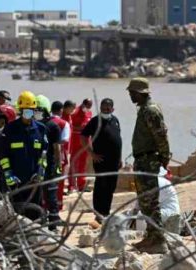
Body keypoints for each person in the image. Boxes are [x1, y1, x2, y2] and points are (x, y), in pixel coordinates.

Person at [128, 77, 170, 254]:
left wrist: (164, 157)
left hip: (148, 161)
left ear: (140, 93)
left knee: (150, 201)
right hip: (142, 160)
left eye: (132, 93)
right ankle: (152, 236)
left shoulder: (150, 110)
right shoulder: (144, 109)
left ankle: (158, 240)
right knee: (145, 201)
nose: (130, 95)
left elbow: (161, 136)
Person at [0, 91, 48, 221]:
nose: (28, 112)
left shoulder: (41, 129)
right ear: (20, 110)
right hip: (15, 182)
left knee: (35, 213)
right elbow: (3, 155)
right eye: (25, 110)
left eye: (30, 110)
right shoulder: (10, 129)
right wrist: (8, 174)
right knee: (15, 215)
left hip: (34, 180)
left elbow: (44, 154)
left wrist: (40, 172)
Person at [80, 98, 122, 224]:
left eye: (108, 109)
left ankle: (106, 212)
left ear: (112, 109)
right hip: (101, 160)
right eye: (103, 108)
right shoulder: (95, 121)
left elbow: (118, 139)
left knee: (111, 186)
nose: (105, 110)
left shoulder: (115, 120)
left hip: (114, 161)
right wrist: (91, 153)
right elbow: (83, 136)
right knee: (101, 186)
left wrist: (120, 158)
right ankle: (99, 213)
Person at [35, 95, 62, 230]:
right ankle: (40, 219)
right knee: (37, 192)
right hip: (35, 165)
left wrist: (58, 164)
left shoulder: (53, 126)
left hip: (49, 164)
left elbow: (57, 148)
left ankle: (54, 221)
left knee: (50, 192)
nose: (36, 112)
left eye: (38, 110)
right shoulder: (34, 125)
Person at [50, 101, 71, 210]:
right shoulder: (64, 123)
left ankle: (46, 205)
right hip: (60, 157)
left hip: (46, 156)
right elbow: (65, 140)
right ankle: (58, 206)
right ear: (61, 110)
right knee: (59, 182)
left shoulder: (46, 121)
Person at [69, 98, 93, 192]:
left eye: (90, 107)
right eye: (87, 106)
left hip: (86, 141)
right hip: (75, 139)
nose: (88, 108)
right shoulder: (75, 112)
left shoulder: (89, 113)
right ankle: (71, 185)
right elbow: (70, 126)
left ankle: (81, 185)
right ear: (83, 104)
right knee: (73, 162)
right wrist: (80, 128)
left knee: (83, 163)